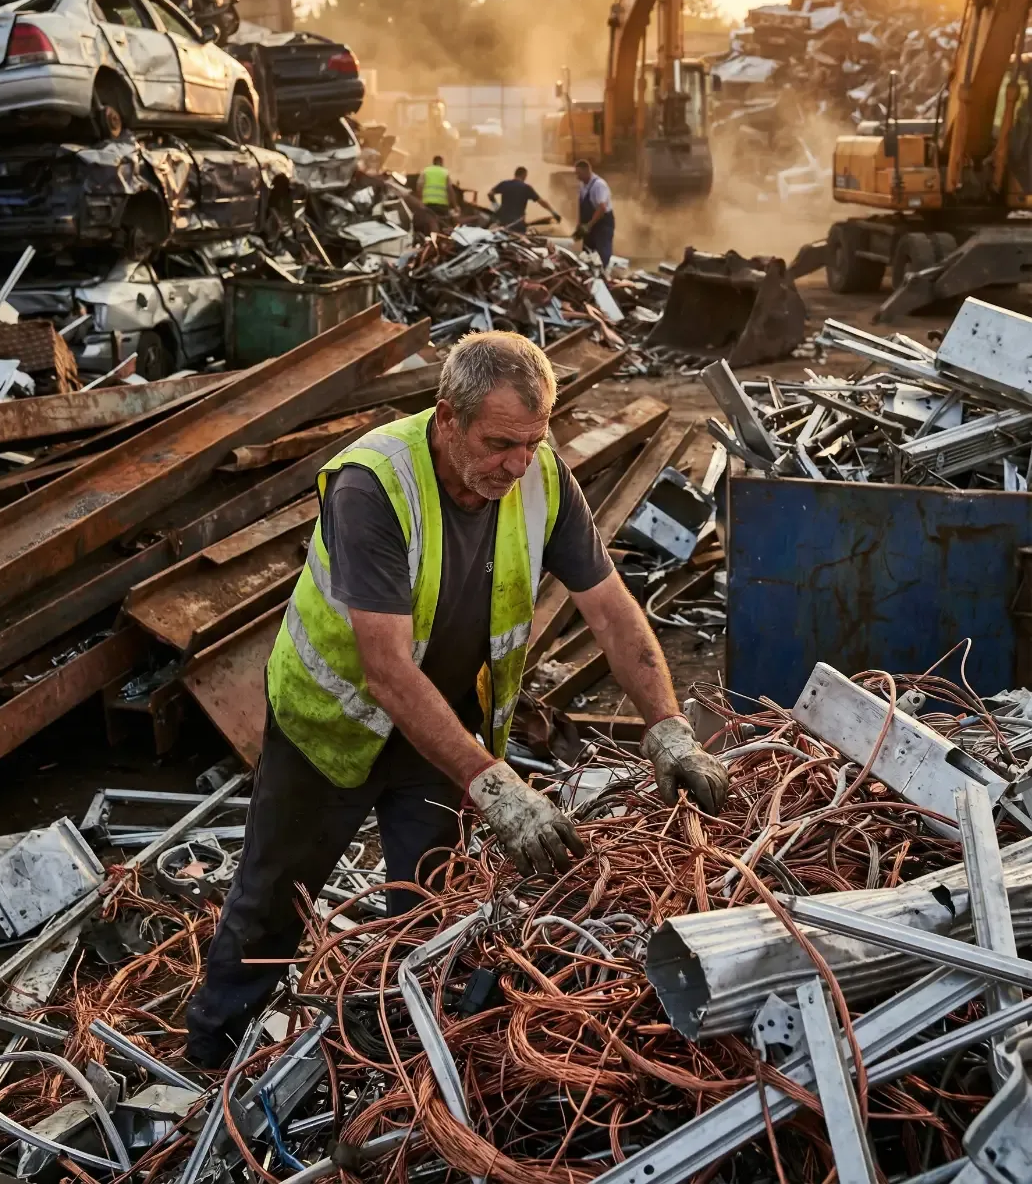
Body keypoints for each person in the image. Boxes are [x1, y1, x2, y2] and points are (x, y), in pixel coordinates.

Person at [184, 331, 727, 1068]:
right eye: (500, 441)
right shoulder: (373, 484)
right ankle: (213, 1059)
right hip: (333, 727)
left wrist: (667, 727)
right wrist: (498, 788)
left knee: (430, 914)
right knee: (271, 906)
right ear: (447, 417)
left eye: (532, 441)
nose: (517, 462)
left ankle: (398, 1066)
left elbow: (611, 610)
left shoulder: (542, 476)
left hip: (441, 740)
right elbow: (387, 671)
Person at [487, 166, 561, 231]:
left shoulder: (504, 183)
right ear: (524, 175)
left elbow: (490, 194)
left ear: (515, 174)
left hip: (503, 221)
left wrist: (496, 206)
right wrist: (553, 213)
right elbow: (541, 202)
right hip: (517, 224)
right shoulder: (526, 187)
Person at [573, 158, 615, 267]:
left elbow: (602, 208)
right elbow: (581, 205)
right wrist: (580, 225)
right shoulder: (583, 185)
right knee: (587, 255)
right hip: (590, 225)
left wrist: (589, 225)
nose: (577, 176)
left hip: (602, 224)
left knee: (601, 255)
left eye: (579, 173)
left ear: (587, 170)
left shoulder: (599, 185)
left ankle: (604, 277)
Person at [416, 154, 453, 219]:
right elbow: (450, 189)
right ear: (441, 162)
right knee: (443, 223)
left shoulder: (425, 171)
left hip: (428, 204)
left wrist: (420, 200)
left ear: (433, 162)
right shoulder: (445, 172)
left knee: (428, 222)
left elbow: (419, 186)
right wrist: (454, 205)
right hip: (442, 205)